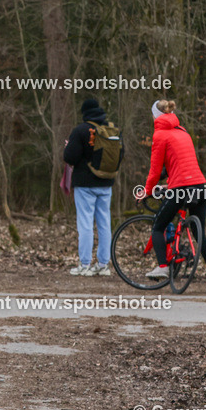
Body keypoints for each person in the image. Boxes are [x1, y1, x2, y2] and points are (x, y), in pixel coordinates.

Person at [142, 99, 206, 291]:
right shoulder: (183, 131)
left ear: (155, 116)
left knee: (158, 226)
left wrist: (147, 191)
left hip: (181, 188)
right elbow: (179, 164)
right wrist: (166, 181)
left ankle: (163, 267)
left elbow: (155, 170)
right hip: (199, 185)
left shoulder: (159, 135)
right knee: (199, 233)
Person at [63, 98, 116, 276]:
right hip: (106, 183)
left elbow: (69, 157)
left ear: (84, 112)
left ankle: (85, 264)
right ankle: (103, 264)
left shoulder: (80, 130)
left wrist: (68, 147)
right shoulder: (110, 129)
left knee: (85, 224)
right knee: (104, 223)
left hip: (85, 184)